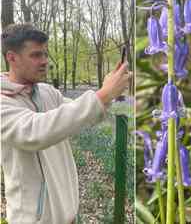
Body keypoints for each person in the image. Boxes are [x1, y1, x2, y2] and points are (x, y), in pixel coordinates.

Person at [1, 23, 130, 224]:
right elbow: (35, 132)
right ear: (11, 57)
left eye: (45, 54)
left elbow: (78, 115)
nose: (45, 61)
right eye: (36, 55)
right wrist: (101, 96)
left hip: (68, 217)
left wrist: (108, 92)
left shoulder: (46, 92)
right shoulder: (3, 102)